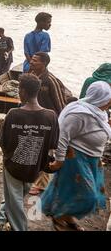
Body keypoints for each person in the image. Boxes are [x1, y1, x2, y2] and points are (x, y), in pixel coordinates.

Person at [0, 74, 60, 231]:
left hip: (13, 165)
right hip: (35, 167)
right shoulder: (51, 116)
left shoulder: (13, 114)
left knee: (14, 199)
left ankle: (19, 228)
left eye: (19, 89)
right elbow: (52, 144)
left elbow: (3, 143)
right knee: (16, 196)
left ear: (24, 92)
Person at [41, 81, 111, 231]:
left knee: (69, 190)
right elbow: (62, 137)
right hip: (76, 159)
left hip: (92, 159)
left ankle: (66, 216)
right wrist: (59, 161)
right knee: (89, 197)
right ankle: (60, 215)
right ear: (102, 98)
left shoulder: (100, 112)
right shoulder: (79, 113)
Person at [28, 52, 72, 195]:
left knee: (46, 152)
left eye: (35, 61)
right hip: (34, 119)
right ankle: (35, 176)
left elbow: (60, 105)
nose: (31, 62)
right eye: (32, 59)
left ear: (44, 64)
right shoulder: (31, 75)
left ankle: (42, 185)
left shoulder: (50, 81)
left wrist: (59, 126)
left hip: (49, 121)